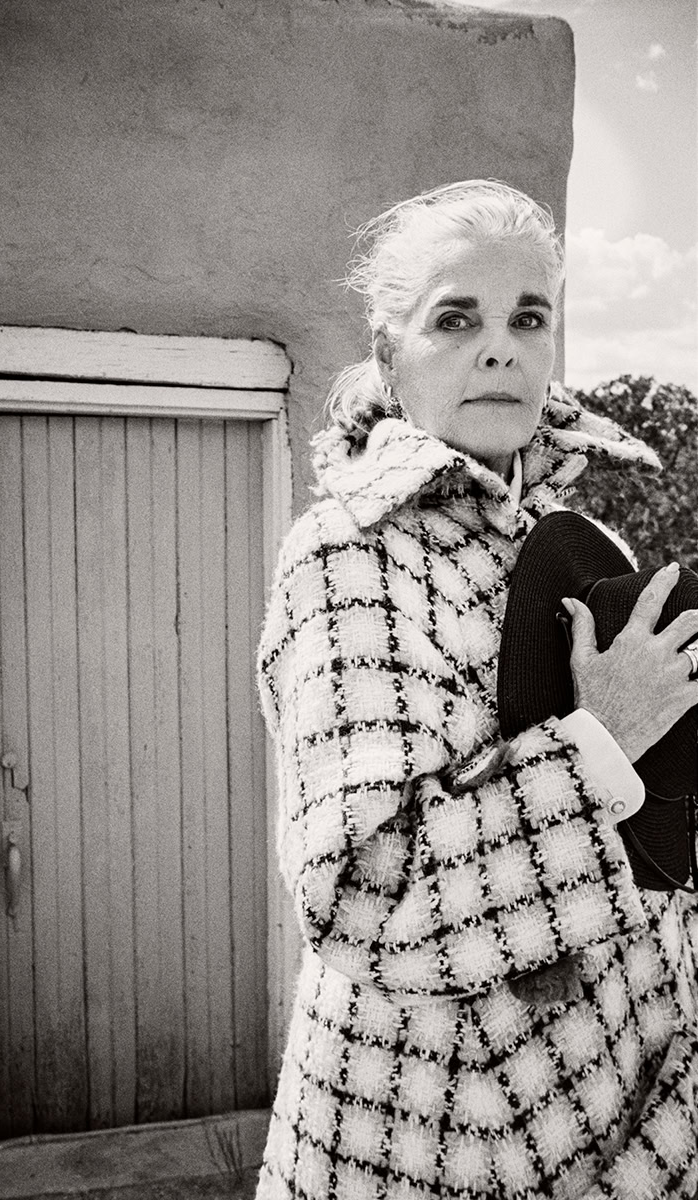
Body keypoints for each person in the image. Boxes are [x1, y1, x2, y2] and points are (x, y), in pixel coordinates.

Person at [254, 180, 698, 1199]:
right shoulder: (345, 556)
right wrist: (604, 735)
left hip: (621, 1122)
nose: (498, 347)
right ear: (388, 357)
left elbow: (632, 844)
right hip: (437, 1146)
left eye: (525, 318)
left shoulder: (581, 545)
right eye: (455, 318)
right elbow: (374, 897)